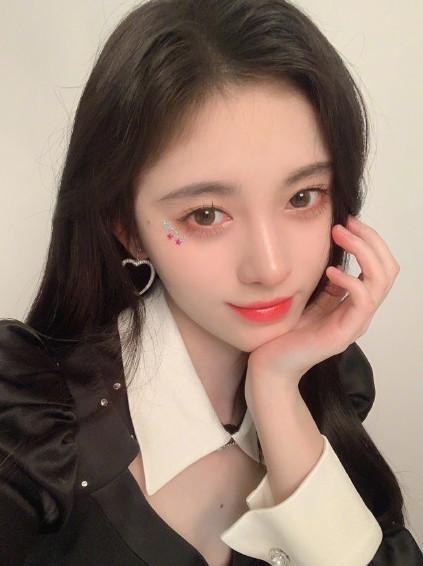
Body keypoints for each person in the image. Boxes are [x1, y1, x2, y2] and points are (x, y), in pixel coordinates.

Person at [0, 0, 422, 564]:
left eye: (302, 197)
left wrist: (278, 391)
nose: (270, 268)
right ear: (128, 229)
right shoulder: (26, 427)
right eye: (205, 214)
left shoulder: (334, 383)